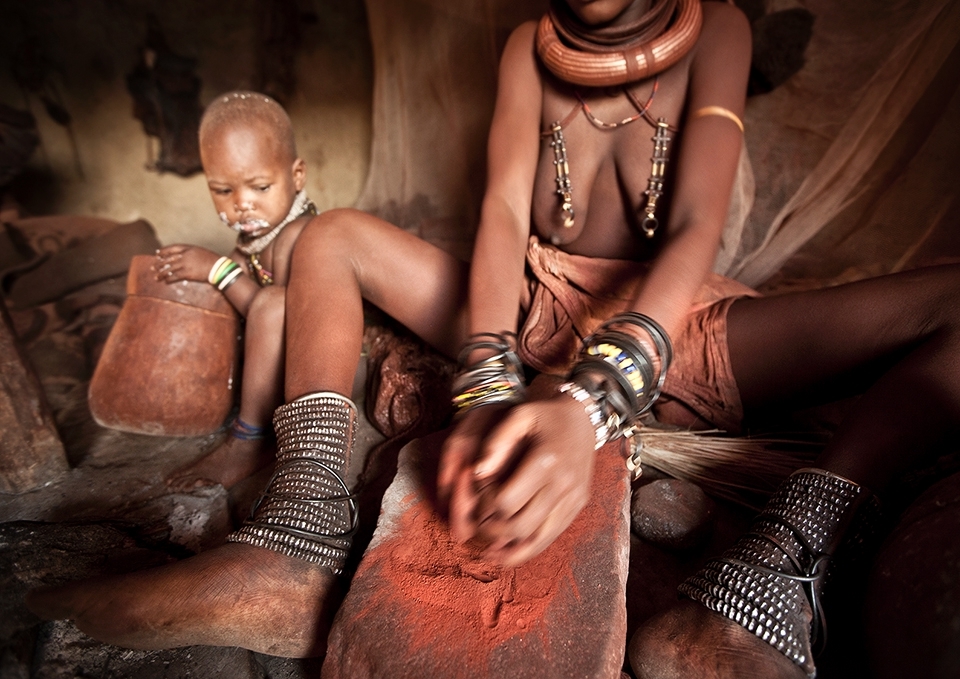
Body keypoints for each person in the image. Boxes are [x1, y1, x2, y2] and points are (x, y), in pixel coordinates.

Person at [27, 1, 960, 676]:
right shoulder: (527, 46)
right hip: (525, 303)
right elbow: (505, 211)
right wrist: (486, 381)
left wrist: (593, 401)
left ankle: (780, 562)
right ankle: (295, 536)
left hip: (676, 324)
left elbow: (692, 231)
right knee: (335, 235)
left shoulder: (718, 28)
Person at [155, 90, 316, 491]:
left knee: (273, 302)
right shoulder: (254, 239)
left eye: (260, 187)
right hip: (280, 364)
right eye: (223, 191)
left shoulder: (302, 235)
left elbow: (274, 313)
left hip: (326, 368)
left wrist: (218, 269)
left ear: (296, 176)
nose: (242, 204)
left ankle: (250, 438)